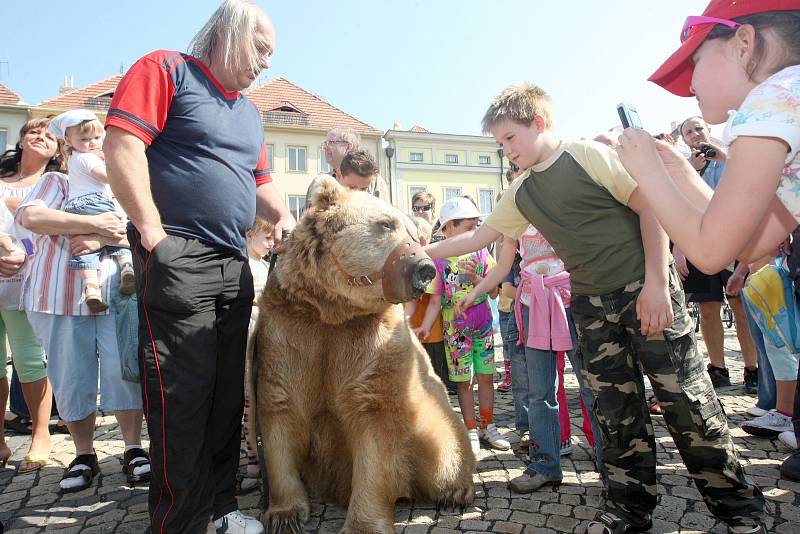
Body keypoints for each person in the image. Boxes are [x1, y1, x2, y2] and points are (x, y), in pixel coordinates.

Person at [425, 82, 765, 534]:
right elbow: (478, 238)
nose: (506, 150)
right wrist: (417, 251)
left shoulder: (585, 155)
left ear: (538, 123)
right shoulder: (522, 190)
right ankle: (629, 510)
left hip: (645, 293)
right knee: (615, 416)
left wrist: (657, 286)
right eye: (500, 143)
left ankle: (738, 510)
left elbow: (650, 207)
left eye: (510, 138)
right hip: (591, 308)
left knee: (689, 407)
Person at [102, 1, 295, 531]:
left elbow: (262, 188)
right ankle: (180, 523)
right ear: (228, 33)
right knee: (181, 394)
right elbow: (122, 145)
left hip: (234, 261)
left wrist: (294, 217)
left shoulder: (251, 113)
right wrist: (152, 234)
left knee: (225, 393)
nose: (265, 64)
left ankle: (221, 508)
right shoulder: (167, 70)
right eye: (260, 49)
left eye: (270, 55)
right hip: (177, 251)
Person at [615, 0, 799, 490]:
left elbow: (714, 252)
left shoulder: (774, 98)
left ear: (744, 43)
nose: (690, 86)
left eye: (695, 63)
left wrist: (648, 172)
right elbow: (752, 241)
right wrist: (676, 170)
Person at [17, 150, 150, 494]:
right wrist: (93, 224)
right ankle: (83, 453)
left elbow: (144, 232)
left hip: (118, 298)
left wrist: (101, 238)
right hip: (61, 298)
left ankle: (133, 447)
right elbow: (31, 217)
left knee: (125, 373)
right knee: (71, 376)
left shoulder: (123, 188)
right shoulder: (56, 181)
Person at [416, 197, 509, 455]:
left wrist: (477, 278)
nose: (476, 233)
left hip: (483, 325)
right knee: (463, 381)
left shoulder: (482, 253)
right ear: (448, 228)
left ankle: (487, 425)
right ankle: (470, 427)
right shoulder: (439, 260)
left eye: (477, 226)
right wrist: (425, 326)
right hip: (455, 329)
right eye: (470, 227)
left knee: (486, 376)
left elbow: (493, 293)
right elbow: (435, 302)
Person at [673, 116, 758, 391]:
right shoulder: (684, 166)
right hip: (701, 243)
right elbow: (677, 207)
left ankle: (752, 369)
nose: (696, 134)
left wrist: (724, 159)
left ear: (708, 130)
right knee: (708, 308)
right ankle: (718, 368)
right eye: (689, 132)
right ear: (684, 139)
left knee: (740, 305)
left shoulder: (730, 157)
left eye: (699, 128)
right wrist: (679, 248)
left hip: (734, 241)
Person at [0, 118, 59, 473]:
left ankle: (40, 436)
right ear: (21, 141)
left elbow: (50, 232)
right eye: (34, 131)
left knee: (30, 361)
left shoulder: (55, 184)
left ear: (57, 151)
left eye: (50, 135)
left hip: (28, 282)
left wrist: (21, 249)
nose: (41, 137)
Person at [48, 109, 135, 312]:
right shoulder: (87, 158)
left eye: (97, 137)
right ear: (68, 141)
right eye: (85, 139)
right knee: (117, 230)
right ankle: (127, 267)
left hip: (75, 207)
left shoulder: (73, 159)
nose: (93, 143)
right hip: (96, 202)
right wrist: (118, 169)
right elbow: (102, 176)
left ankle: (91, 288)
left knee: (85, 249)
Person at [240, 217, 273, 494]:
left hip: (264, 336)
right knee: (249, 404)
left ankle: (267, 459)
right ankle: (252, 462)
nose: (271, 244)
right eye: (267, 238)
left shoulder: (264, 265)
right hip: (247, 335)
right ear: (250, 236)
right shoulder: (242, 265)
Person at [406, 217, 456, 395]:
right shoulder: (407, 263)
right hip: (413, 330)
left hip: (432, 333)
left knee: (432, 376)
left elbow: (434, 301)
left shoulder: (432, 263)